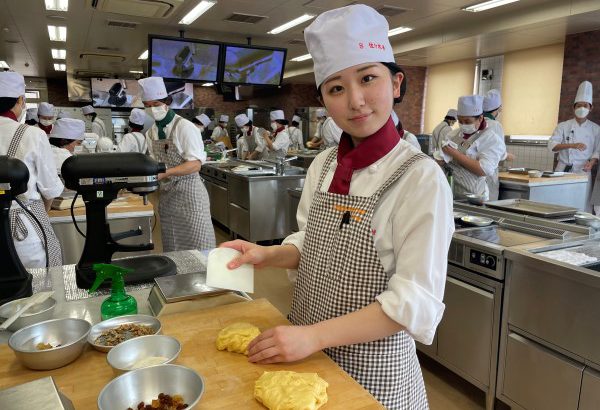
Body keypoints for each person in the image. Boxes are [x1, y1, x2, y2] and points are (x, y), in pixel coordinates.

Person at [221, 5, 453, 409]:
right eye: (336, 88)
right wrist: (269, 254)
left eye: (368, 78)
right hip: (306, 355)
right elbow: (311, 240)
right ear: (324, 99)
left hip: (375, 372)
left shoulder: (420, 178)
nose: (356, 101)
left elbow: (411, 303)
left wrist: (314, 336)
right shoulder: (325, 164)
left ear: (396, 82)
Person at [138, 76, 215, 252]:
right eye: (147, 106)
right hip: (168, 197)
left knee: (199, 245)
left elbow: (195, 165)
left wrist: (165, 173)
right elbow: (155, 162)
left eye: (156, 104)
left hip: (191, 197)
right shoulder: (151, 133)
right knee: (174, 245)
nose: (152, 109)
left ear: (167, 102)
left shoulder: (185, 127)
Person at [0, 71, 64, 268]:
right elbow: (50, 190)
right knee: (35, 293)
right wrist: (39, 213)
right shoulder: (32, 134)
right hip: (23, 232)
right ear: (20, 100)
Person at [441, 95, 505, 200]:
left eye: (467, 121)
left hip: (475, 198)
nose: (463, 125)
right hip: (451, 193)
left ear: (480, 118)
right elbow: (444, 160)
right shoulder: (453, 135)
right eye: (460, 121)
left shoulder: (491, 139)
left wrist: (455, 154)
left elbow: (483, 169)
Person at [551, 81, 600, 212]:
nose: (582, 108)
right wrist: (572, 145)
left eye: (585, 105)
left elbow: (598, 150)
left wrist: (591, 163)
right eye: (579, 106)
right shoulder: (563, 126)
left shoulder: (596, 129)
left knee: (581, 205)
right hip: (563, 169)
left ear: (591, 108)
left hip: (583, 170)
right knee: (559, 202)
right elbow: (552, 145)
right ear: (573, 108)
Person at [482, 89, 508, 201]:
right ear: (497, 109)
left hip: (473, 170)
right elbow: (500, 152)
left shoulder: (478, 122)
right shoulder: (495, 125)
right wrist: (507, 155)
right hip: (489, 170)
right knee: (489, 203)